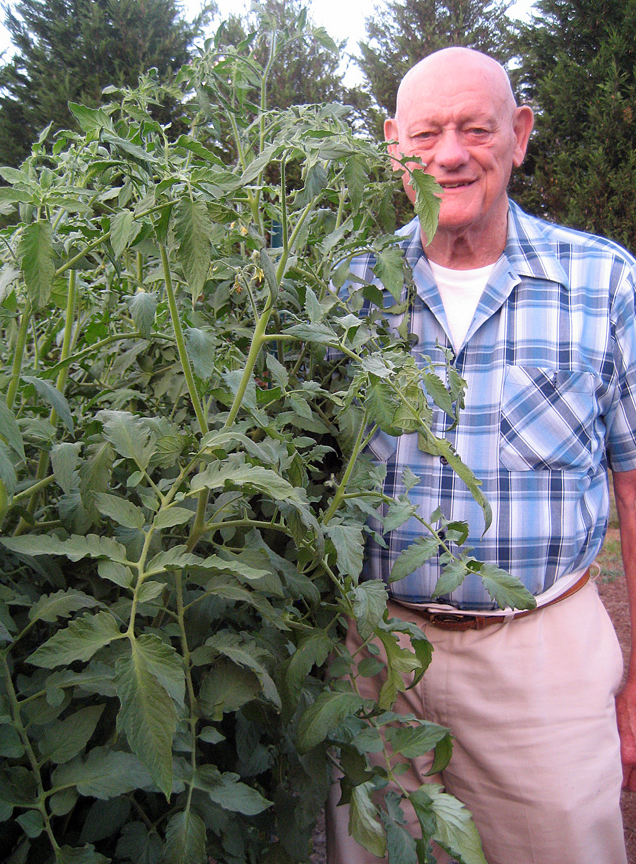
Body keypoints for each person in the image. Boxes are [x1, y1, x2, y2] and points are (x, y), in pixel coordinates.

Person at [326, 46, 636, 864]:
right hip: (376, 655)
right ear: (394, 144)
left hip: (539, 656)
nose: (450, 154)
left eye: (476, 128)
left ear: (520, 134)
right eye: (426, 133)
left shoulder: (604, 282)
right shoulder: (344, 292)